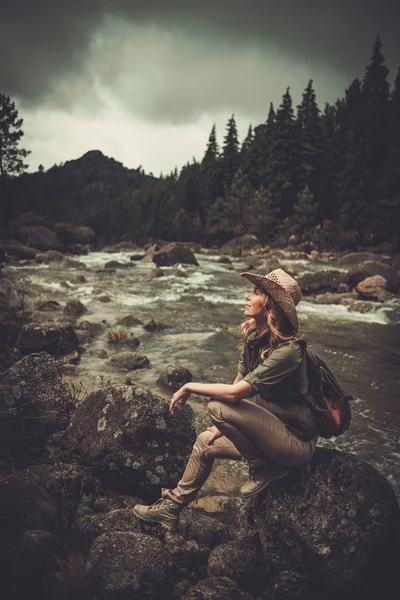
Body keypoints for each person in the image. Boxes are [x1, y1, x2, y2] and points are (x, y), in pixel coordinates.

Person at [133, 268, 318, 531]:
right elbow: (237, 385)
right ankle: (171, 509)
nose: (246, 297)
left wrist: (189, 386)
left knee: (216, 406)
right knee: (205, 441)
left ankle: (261, 466)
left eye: (255, 293)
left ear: (269, 305)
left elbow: (234, 395)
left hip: (294, 443)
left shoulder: (288, 351)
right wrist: (222, 427)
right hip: (269, 434)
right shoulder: (255, 339)